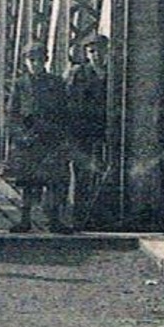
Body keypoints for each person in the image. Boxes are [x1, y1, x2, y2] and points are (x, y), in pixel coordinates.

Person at [7, 45, 72, 234]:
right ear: (25, 61)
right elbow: (13, 112)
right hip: (28, 139)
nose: (35, 64)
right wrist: (20, 135)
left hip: (50, 138)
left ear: (46, 60)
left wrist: (60, 137)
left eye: (39, 60)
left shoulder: (56, 82)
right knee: (27, 182)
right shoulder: (20, 84)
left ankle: (54, 220)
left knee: (53, 181)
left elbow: (64, 111)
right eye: (31, 60)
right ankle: (25, 219)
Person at [66, 33, 110, 229]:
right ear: (86, 53)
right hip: (82, 132)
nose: (96, 56)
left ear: (107, 51)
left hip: (106, 132)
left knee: (102, 171)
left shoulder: (115, 74)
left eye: (100, 51)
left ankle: (99, 216)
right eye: (92, 52)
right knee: (82, 174)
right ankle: (79, 217)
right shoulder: (78, 74)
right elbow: (69, 103)